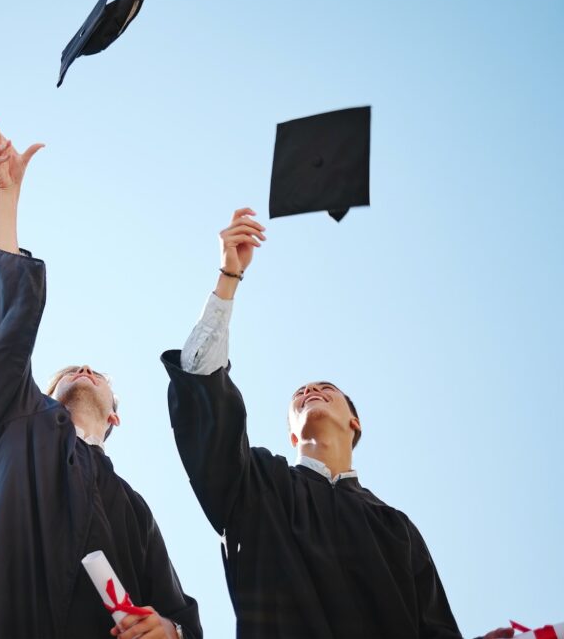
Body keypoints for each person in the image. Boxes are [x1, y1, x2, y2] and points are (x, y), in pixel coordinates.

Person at [161, 207, 514, 639]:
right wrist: (228, 278)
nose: (309, 390)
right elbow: (202, 389)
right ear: (293, 433)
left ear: (355, 421)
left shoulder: (395, 528)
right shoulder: (256, 485)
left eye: (325, 387)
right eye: (299, 395)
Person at [0, 117, 202, 639]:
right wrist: (7, 198)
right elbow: (4, 328)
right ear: (43, 394)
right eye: (70, 370)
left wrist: (170, 632)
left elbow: (177, 612)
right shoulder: (16, 422)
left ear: (115, 415)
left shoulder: (134, 509)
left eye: (98, 374)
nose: (84, 370)